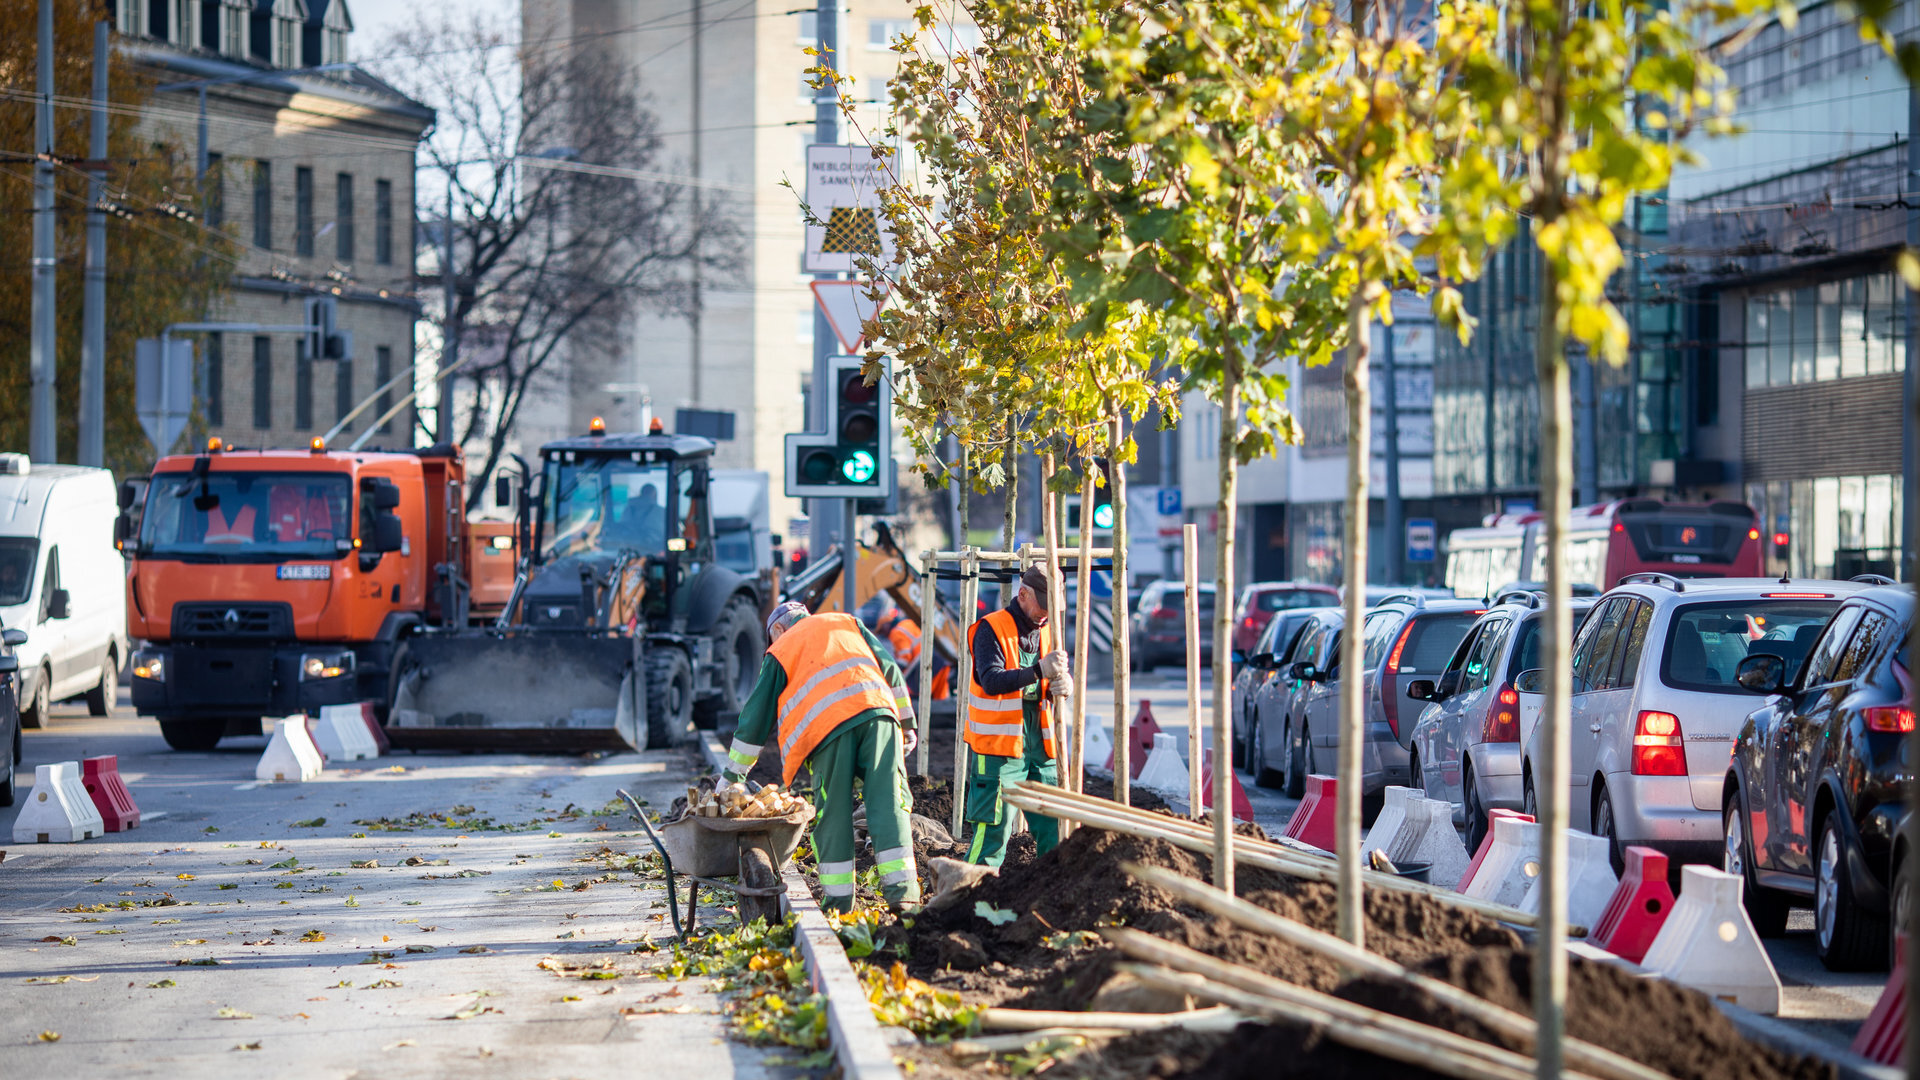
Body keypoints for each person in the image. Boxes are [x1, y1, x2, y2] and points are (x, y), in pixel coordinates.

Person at [721, 600, 921, 912]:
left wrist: (733, 777)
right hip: (880, 717)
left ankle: (840, 905)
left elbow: (755, 719)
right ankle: (904, 896)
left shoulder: (782, 646)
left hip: (829, 728)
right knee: (889, 804)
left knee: (834, 814)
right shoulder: (848, 621)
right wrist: (907, 724)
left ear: (777, 629)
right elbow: (891, 669)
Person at [962, 565, 1071, 867]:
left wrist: (1064, 685)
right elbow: (992, 680)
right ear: (1023, 594)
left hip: (1042, 745)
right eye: (1043, 606)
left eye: (1053, 608)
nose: (1046, 614)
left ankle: (1051, 896)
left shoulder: (1050, 630)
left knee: (1054, 825)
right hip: (998, 746)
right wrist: (1038, 671)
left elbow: (1055, 675)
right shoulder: (990, 628)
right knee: (993, 831)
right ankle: (969, 897)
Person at [877, 602, 950, 702]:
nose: (883, 635)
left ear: (886, 626)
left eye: (881, 631)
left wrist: (892, 675)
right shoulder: (906, 623)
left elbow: (904, 659)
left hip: (927, 664)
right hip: (940, 661)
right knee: (941, 701)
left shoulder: (896, 633)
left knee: (913, 694)